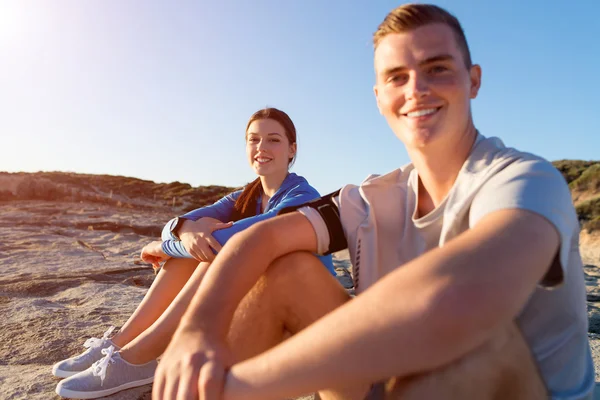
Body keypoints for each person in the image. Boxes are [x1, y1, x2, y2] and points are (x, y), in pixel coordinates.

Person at [151, 4, 594, 400]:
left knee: (488, 343)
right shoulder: (372, 197)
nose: (416, 88)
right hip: (392, 386)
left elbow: (459, 297)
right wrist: (197, 331)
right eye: (397, 76)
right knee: (287, 270)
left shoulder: (523, 179)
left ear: (473, 80)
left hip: (509, 386)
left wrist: (239, 386)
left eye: (437, 68)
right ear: (378, 96)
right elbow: (263, 238)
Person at [53, 107, 335, 399]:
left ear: (292, 149)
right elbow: (175, 225)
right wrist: (185, 233)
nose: (261, 148)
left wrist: (160, 247)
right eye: (253, 140)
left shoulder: (302, 196)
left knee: (211, 252)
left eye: (273, 140)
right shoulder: (246, 195)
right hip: (253, 302)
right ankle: (122, 344)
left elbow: (234, 241)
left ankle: (139, 356)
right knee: (193, 250)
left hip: (299, 314)